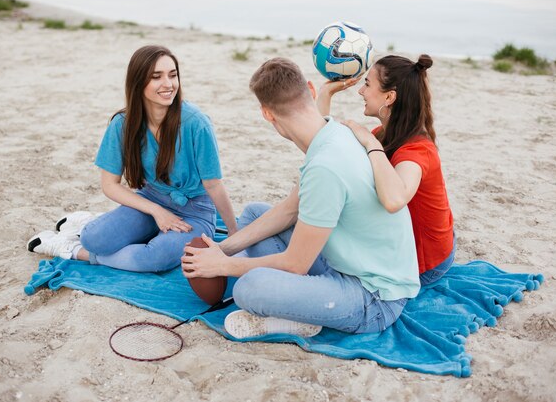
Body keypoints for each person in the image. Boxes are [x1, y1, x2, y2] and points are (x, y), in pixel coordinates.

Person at [181, 58, 419, 339]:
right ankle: (304, 300)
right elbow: (288, 211)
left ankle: (304, 315)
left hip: (374, 298)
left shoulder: (325, 166)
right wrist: (224, 250)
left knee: (248, 289)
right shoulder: (333, 133)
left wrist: (224, 266)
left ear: (267, 114)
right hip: (343, 263)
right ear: (311, 89)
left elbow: (296, 264)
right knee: (256, 213)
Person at [27, 45, 237, 272]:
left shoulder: (197, 123)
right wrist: (157, 211)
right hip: (150, 201)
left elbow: (214, 184)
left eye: (173, 75)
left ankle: (75, 251)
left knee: (152, 259)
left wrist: (235, 235)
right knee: (94, 238)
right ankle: (86, 225)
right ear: (138, 82)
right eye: (156, 77)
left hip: (193, 212)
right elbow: (109, 184)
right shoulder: (122, 124)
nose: (168, 84)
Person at [316, 54, 455, 286]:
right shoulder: (385, 133)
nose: (360, 91)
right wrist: (325, 94)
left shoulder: (417, 150)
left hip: (426, 263)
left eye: (367, 84)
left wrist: (370, 144)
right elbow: (325, 150)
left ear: (389, 97)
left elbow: (394, 200)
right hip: (405, 242)